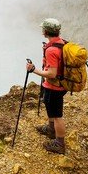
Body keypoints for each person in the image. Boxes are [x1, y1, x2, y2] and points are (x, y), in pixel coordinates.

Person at [26, 18, 67, 155]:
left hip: (54, 87)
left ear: (45, 31)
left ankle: (59, 143)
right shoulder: (62, 43)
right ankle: (50, 130)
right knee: (51, 109)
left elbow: (52, 73)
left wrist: (33, 70)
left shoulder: (51, 50)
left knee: (57, 115)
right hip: (59, 85)